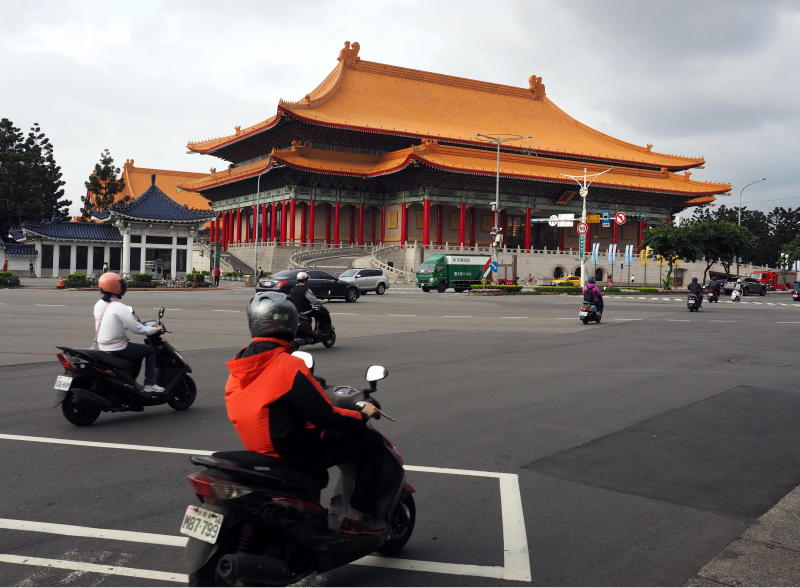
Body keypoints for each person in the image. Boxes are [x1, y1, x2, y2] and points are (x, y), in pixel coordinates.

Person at [224, 292, 385, 534]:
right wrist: (362, 415)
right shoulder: (289, 365)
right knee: (370, 442)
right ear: (292, 325)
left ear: (253, 324)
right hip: (292, 450)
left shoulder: (240, 364)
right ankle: (358, 516)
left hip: (257, 447)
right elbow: (326, 417)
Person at [94, 273, 166, 393]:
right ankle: (150, 384)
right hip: (117, 347)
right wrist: (156, 329)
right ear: (116, 287)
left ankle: (130, 381)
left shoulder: (99, 304)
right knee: (149, 351)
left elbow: (110, 322)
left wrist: (123, 326)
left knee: (137, 352)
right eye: (121, 285)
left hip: (102, 346)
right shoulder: (118, 306)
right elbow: (137, 329)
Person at [289, 271, 330, 338]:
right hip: (306, 311)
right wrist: (323, 301)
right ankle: (318, 331)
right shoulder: (305, 289)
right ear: (306, 280)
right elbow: (315, 301)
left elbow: (290, 299)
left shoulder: (292, 289)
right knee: (323, 314)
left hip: (296, 312)